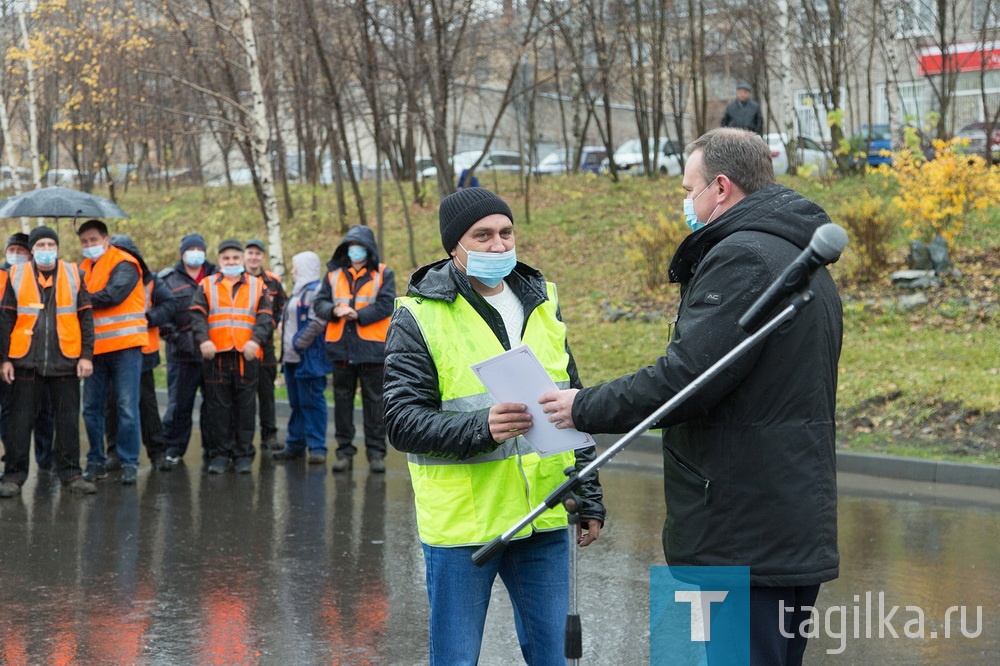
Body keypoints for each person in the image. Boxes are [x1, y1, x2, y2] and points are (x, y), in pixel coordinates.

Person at [539, 128, 842, 665]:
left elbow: (686, 379)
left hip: (738, 529)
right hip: (780, 524)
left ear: (720, 188)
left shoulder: (744, 257)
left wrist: (582, 405)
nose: (686, 202)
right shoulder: (799, 259)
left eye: (689, 188)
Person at [382, 188, 606, 665]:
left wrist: (588, 494)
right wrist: (481, 427)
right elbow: (400, 421)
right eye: (481, 235)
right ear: (453, 247)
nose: (499, 245)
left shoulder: (543, 301)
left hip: (543, 515)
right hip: (466, 525)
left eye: (506, 233)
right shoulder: (419, 315)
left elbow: (572, 402)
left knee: (555, 658)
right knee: (457, 658)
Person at [0, 226, 96, 497]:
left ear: (57, 247)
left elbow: (86, 318)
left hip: (65, 360)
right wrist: (4, 359)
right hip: (25, 361)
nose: (45, 249)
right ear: (32, 249)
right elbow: (6, 319)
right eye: (40, 245)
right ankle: (14, 477)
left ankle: (71, 474)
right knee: (19, 422)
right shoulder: (15, 275)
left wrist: (86, 355)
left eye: (49, 244)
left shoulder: (75, 274)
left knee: (67, 421)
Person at [313, 225, 395, 474]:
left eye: (358, 246)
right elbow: (319, 303)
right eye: (350, 246)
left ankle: (376, 453)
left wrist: (357, 314)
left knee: (374, 403)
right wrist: (334, 310)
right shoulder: (333, 275)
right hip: (341, 348)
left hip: (372, 349)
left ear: (368, 248)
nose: (354, 251)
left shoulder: (383, 273)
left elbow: (385, 305)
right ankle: (344, 452)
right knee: (342, 402)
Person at [190, 239, 273, 474]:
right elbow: (197, 315)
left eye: (235, 258)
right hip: (216, 356)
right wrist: (204, 340)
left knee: (246, 408)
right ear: (219, 261)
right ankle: (219, 454)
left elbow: (266, 317)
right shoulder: (206, 285)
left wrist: (255, 341)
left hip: (247, 357)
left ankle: (243, 455)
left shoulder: (258, 286)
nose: (231, 262)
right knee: (218, 408)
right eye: (226, 259)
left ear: (242, 260)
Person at [78, 219, 148, 486]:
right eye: (84, 242)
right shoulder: (82, 268)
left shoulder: (125, 263)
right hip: (93, 349)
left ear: (106, 240)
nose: (89, 246)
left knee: (127, 407)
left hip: (124, 347)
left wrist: (80, 297)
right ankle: (96, 460)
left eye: (93, 240)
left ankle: (129, 460)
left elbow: (113, 296)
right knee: (92, 408)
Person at [104, 235, 179, 471]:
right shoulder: (103, 277)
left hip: (142, 350)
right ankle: (114, 452)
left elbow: (170, 305)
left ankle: (157, 453)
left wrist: (149, 318)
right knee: (113, 405)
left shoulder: (151, 280)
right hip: (111, 348)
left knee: (146, 404)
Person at [158, 233, 218, 467]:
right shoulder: (168, 279)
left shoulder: (217, 275)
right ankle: (172, 448)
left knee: (214, 405)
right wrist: (178, 340)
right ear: (182, 253)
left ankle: (213, 449)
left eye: (199, 249)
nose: (195, 253)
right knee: (179, 404)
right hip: (181, 354)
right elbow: (161, 316)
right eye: (190, 249)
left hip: (213, 352)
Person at [0, 233, 55, 473]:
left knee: (44, 409)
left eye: (21, 250)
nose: (16, 254)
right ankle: (11, 455)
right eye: (12, 249)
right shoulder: (3, 275)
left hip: (31, 353)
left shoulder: (38, 277)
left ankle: (46, 458)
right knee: (9, 411)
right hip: (5, 353)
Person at [273, 251, 331, 464]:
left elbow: (318, 322)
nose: (293, 270)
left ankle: (317, 448)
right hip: (291, 359)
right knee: (297, 403)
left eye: (295, 266)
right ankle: (295, 445)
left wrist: (298, 343)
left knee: (312, 403)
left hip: (308, 358)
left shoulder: (316, 291)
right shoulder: (298, 292)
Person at [244, 239, 285, 451]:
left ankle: (269, 436)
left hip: (266, 347)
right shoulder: (237, 279)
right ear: (245, 256)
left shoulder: (273, 281)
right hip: (242, 347)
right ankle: (243, 438)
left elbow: (281, 309)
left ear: (263, 257)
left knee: (267, 394)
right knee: (244, 397)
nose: (253, 257)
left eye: (257, 253)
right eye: (250, 253)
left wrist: (275, 324)